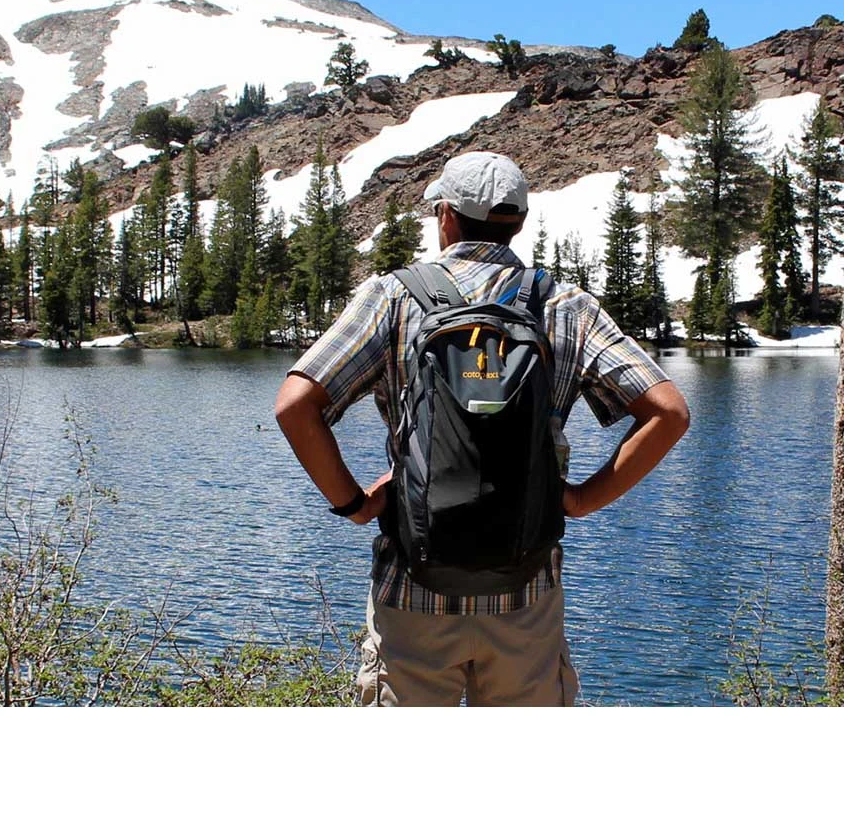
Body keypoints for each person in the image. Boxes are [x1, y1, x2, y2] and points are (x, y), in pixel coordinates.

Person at [274, 151, 689, 706]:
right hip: (526, 590)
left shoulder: (394, 296)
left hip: (413, 587)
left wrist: (355, 504)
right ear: (519, 222)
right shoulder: (565, 305)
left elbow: (295, 406)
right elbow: (668, 413)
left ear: (445, 215)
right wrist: (581, 499)